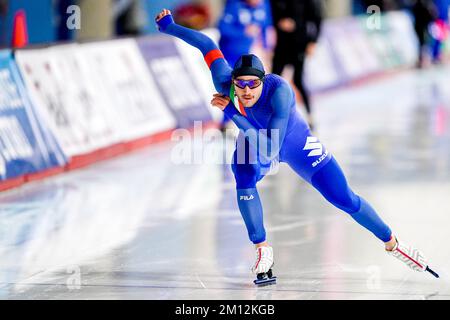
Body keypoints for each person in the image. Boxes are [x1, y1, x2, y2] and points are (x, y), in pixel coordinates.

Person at [155, 9, 439, 283]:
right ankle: (262, 248)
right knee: (242, 173)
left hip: (293, 143)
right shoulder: (225, 81)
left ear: (262, 81)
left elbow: (271, 150)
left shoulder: (279, 91)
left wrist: (232, 112)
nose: (246, 91)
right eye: (240, 85)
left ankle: (393, 244)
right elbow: (206, 43)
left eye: (252, 85)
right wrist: (170, 28)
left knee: (344, 199)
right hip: (254, 137)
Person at [218, 0, 273, 132]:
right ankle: (226, 122)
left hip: (244, 55)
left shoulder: (264, 5)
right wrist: (243, 31)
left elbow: (265, 27)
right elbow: (222, 28)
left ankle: (247, 119)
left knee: (246, 87)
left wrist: (267, 48)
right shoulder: (234, 5)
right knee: (229, 86)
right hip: (227, 53)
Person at [270, 0, 322, 130]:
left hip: (298, 44)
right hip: (281, 46)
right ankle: (268, 116)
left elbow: (317, 19)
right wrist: (278, 23)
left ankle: (310, 116)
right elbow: (269, 16)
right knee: (273, 81)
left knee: (298, 81)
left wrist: (313, 42)